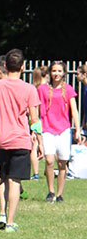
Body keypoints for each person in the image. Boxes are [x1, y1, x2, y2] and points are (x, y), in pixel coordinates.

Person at [0, 49, 39, 232]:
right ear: (23, 67)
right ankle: (10, 222)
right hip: (20, 138)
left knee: (3, 177)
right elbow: (34, 119)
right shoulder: (29, 89)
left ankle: (1, 213)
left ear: (5, 66)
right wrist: (39, 140)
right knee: (15, 180)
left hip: (1, 138)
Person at [38, 61, 79, 203]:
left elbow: (74, 110)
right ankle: (51, 191)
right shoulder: (42, 89)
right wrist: (35, 131)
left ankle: (60, 193)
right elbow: (37, 110)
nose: (56, 74)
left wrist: (77, 129)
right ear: (50, 72)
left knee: (62, 163)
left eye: (59, 71)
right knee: (49, 160)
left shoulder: (68, 89)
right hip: (47, 128)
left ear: (64, 73)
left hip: (64, 130)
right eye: (54, 71)